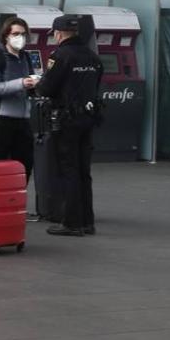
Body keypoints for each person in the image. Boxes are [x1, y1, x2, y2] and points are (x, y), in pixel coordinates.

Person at [36, 14, 103, 237]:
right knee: (84, 170)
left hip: (66, 121)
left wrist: (37, 84)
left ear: (59, 33)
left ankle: (72, 222)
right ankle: (87, 221)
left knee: (68, 170)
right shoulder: (93, 57)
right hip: (89, 118)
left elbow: (47, 88)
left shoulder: (60, 56)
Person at [0, 16, 39, 183]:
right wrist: (21, 83)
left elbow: (29, 86)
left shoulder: (25, 57)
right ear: (6, 35)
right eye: (16, 33)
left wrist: (36, 85)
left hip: (23, 119)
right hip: (0, 119)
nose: (20, 37)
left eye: (23, 34)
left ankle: (16, 204)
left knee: (24, 167)